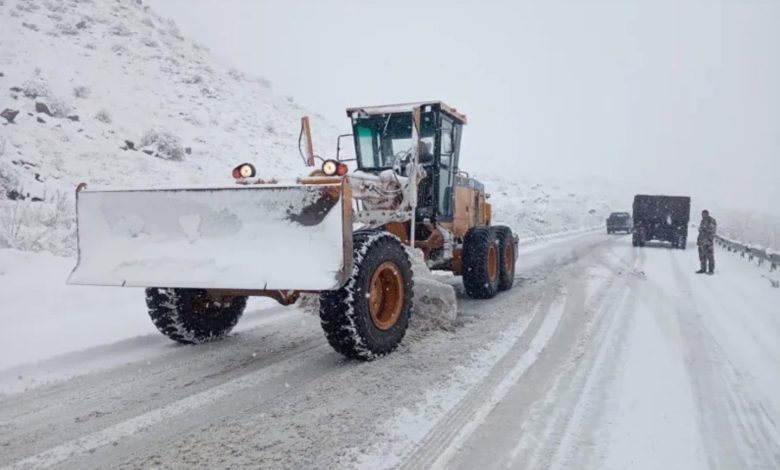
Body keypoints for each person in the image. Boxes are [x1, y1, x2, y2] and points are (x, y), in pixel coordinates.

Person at [696, 209, 717, 274]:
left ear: (707, 214)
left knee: (710, 256)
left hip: (708, 241)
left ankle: (711, 270)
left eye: (704, 214)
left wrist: (709, 240)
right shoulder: (702, 221)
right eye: (702, 214)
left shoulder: (711, 220)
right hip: (702, 241)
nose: (703, 216)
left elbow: (712, 231)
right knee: (702, 256)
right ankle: (703, 269)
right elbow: (701, 231)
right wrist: (698, 240)